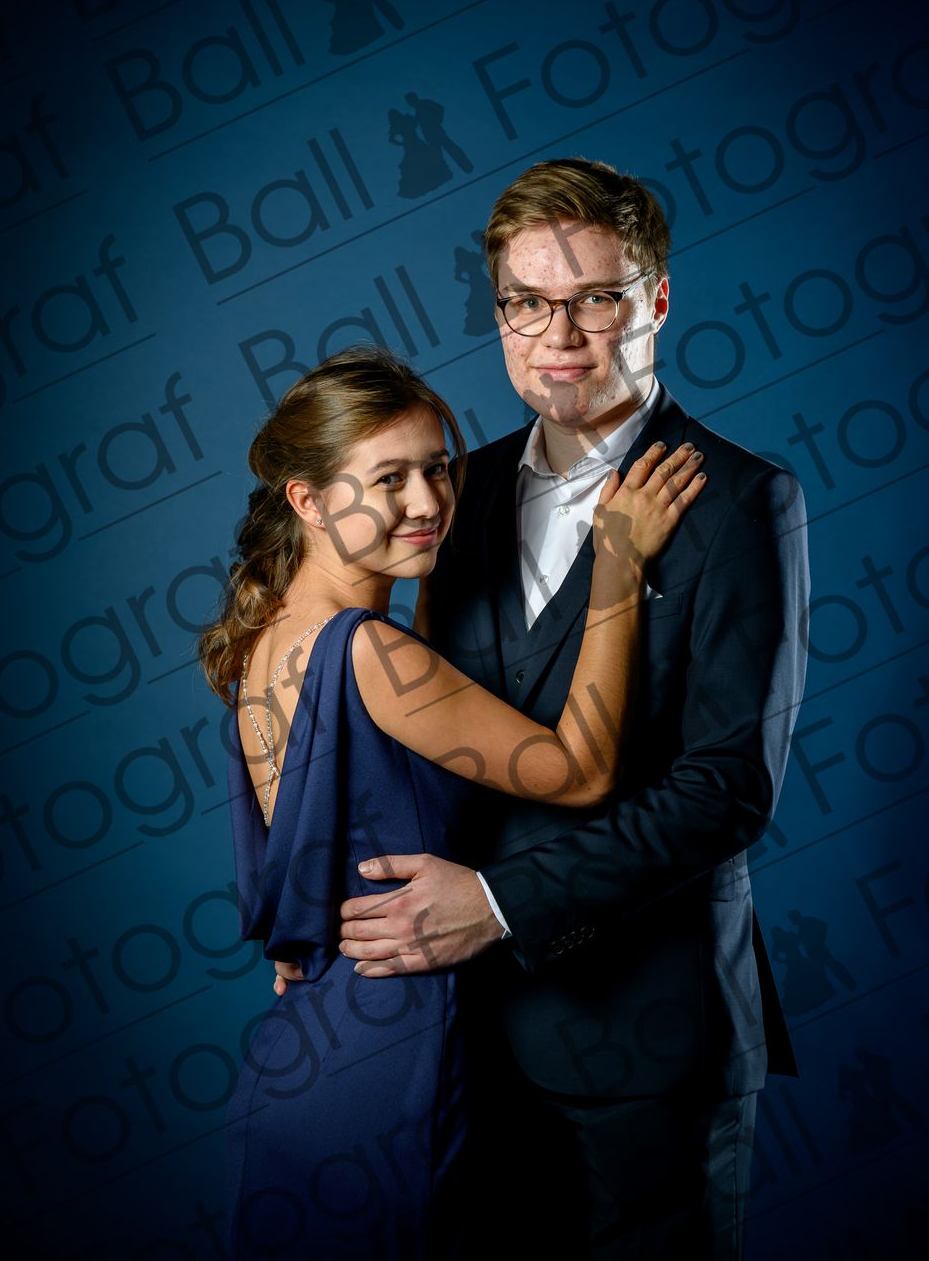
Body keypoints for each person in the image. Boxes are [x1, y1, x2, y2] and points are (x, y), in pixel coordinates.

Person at [277, 158, 811, 1258]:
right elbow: (411, 732)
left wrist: (499, 902)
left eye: (595, 298)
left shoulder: (744, 501)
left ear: (657, 299)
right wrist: (316, 904)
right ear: (499, 313)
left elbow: (726, 790)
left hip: (649, 1039)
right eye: (527, 302)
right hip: (460, 1031)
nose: (557, 334)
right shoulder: (451, 493)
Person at [198, 344, 704, 1258]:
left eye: (436, 468)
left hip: (305, 1054)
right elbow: (579, 770)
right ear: (307, 501)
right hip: (396, 1062)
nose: (428, 501)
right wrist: (617, 564)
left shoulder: (269, 642)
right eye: (387, 479)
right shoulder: (368, 652)